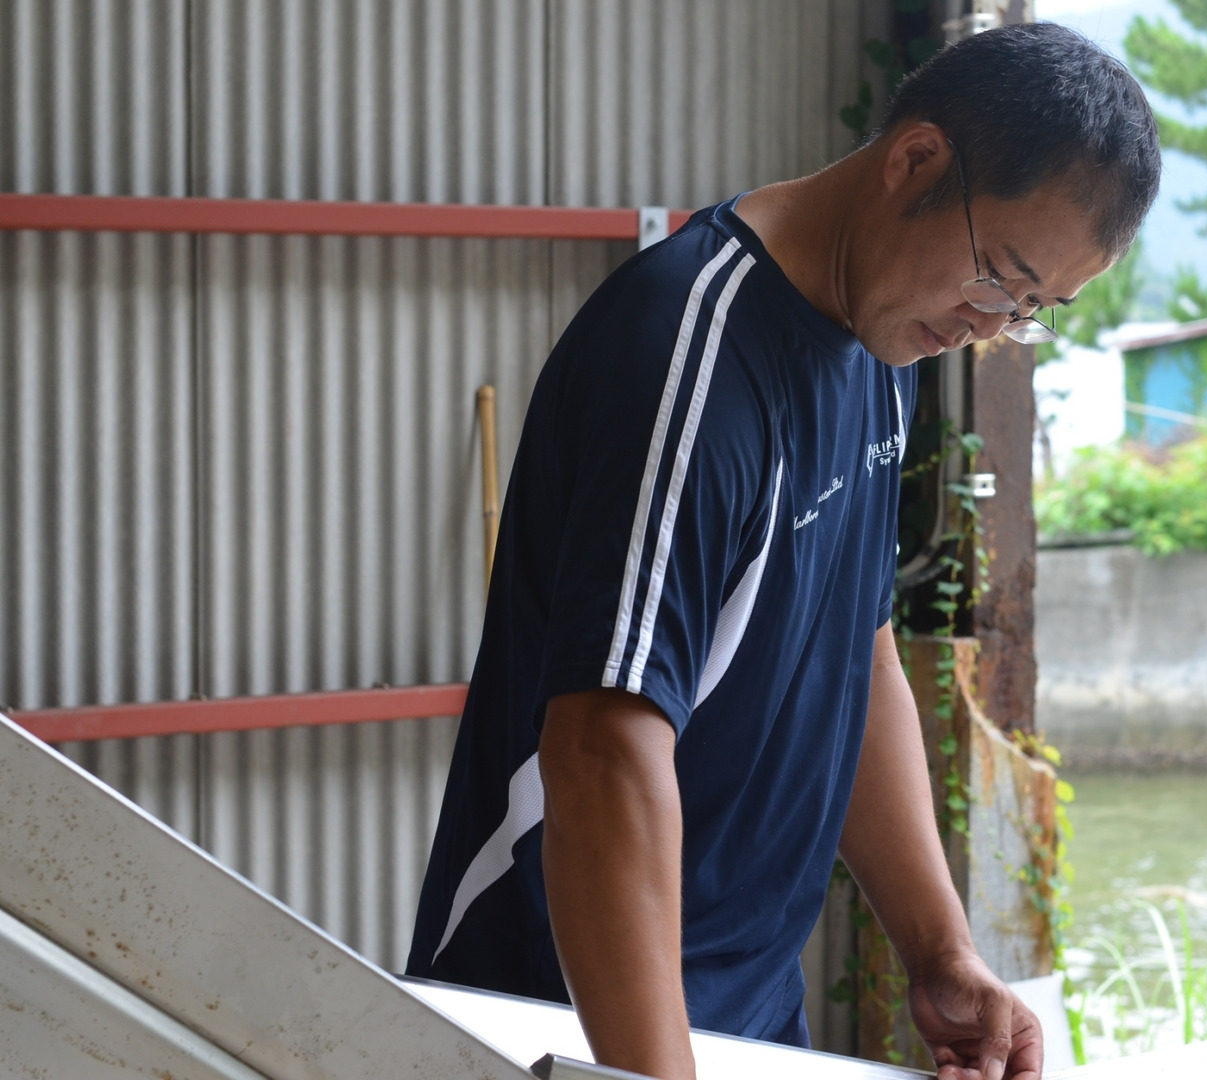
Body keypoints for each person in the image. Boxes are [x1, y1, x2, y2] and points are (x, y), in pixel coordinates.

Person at [408, 22, 1159, 1080]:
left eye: (1031, 310)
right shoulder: (687, 358)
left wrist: (942, 952)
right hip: (566, 1019)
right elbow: (602, 753)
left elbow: (856, 653)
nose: (986, 325)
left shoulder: (883, 340)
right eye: (999, 278)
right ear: (916, 161)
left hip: (743, 1012)